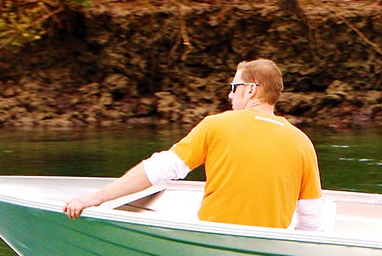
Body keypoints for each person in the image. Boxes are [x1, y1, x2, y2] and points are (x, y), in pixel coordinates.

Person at [63, 59, 323, 230]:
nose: (230, 94)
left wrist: (94, 198)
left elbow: (159, 169)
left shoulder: (217, 125)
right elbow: (310, 219)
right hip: (267, 250)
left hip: (213, 241)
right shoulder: (302, 143)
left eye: (234, 86)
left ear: (251, 90)